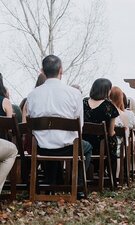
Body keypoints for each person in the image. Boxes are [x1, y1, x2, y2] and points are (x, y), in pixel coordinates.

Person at [26, 55, 92, 199]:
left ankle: (50, 184)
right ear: (61, 70)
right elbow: (79, 126)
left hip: (41, 148)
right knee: (87, 147)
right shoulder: (74, 93)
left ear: (42, 71)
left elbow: (30, 124)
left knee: (49, 140)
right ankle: (78, 186)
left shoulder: (32, 95)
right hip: (68, 148)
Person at [83, 78, 119, 183]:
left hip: (83, 144)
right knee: (113, 140)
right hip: (101, 146)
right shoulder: (109, 106)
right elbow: (111, 132)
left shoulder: (83, 102)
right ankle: (112, 178)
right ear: (106, 90)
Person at [109, 86, 130, 179]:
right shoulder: (123, 114)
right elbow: (126, 134)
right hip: (117, 147)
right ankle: (116, 177)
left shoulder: (106, 111)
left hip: (103, 145)